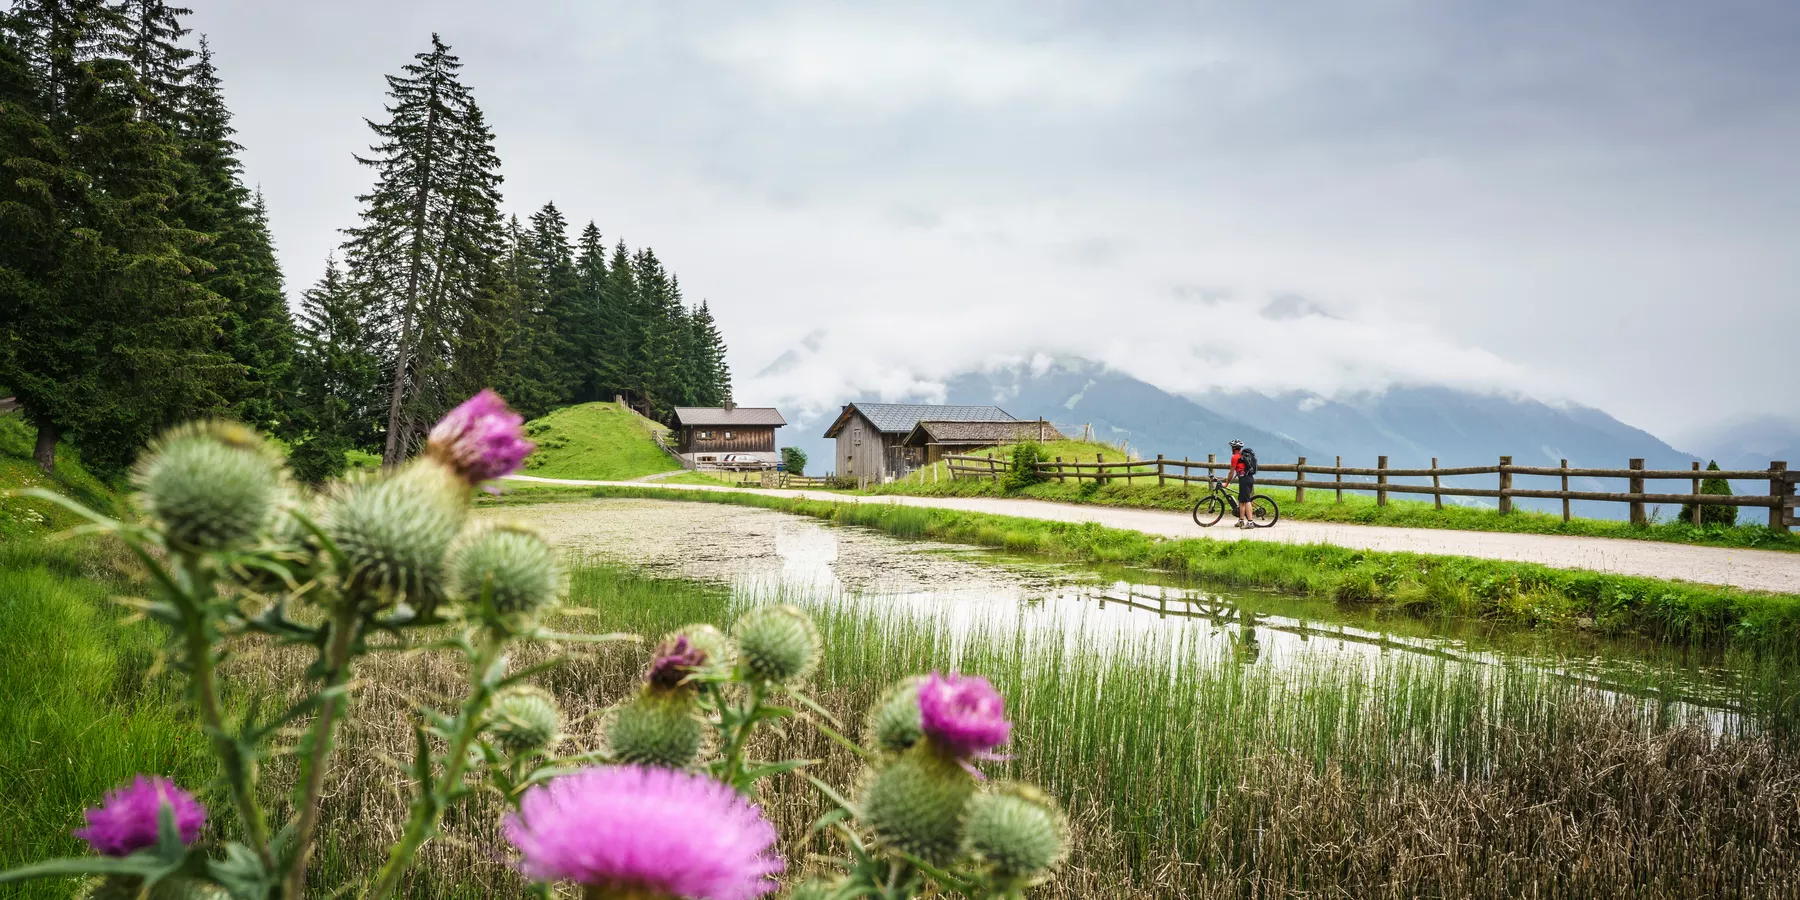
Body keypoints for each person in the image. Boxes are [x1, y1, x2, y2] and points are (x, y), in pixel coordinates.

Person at [1227, 439, 1257, 527]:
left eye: (1232, 447)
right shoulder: (1242, 456)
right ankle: (1241, 521)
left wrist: (1227, 483)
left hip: (1244, 479)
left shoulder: (1235, 457)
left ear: (1234, 448)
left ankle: (1250, 522)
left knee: (1247, 500)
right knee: (1242, 500)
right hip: (1248, 478)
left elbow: (1231, 472)